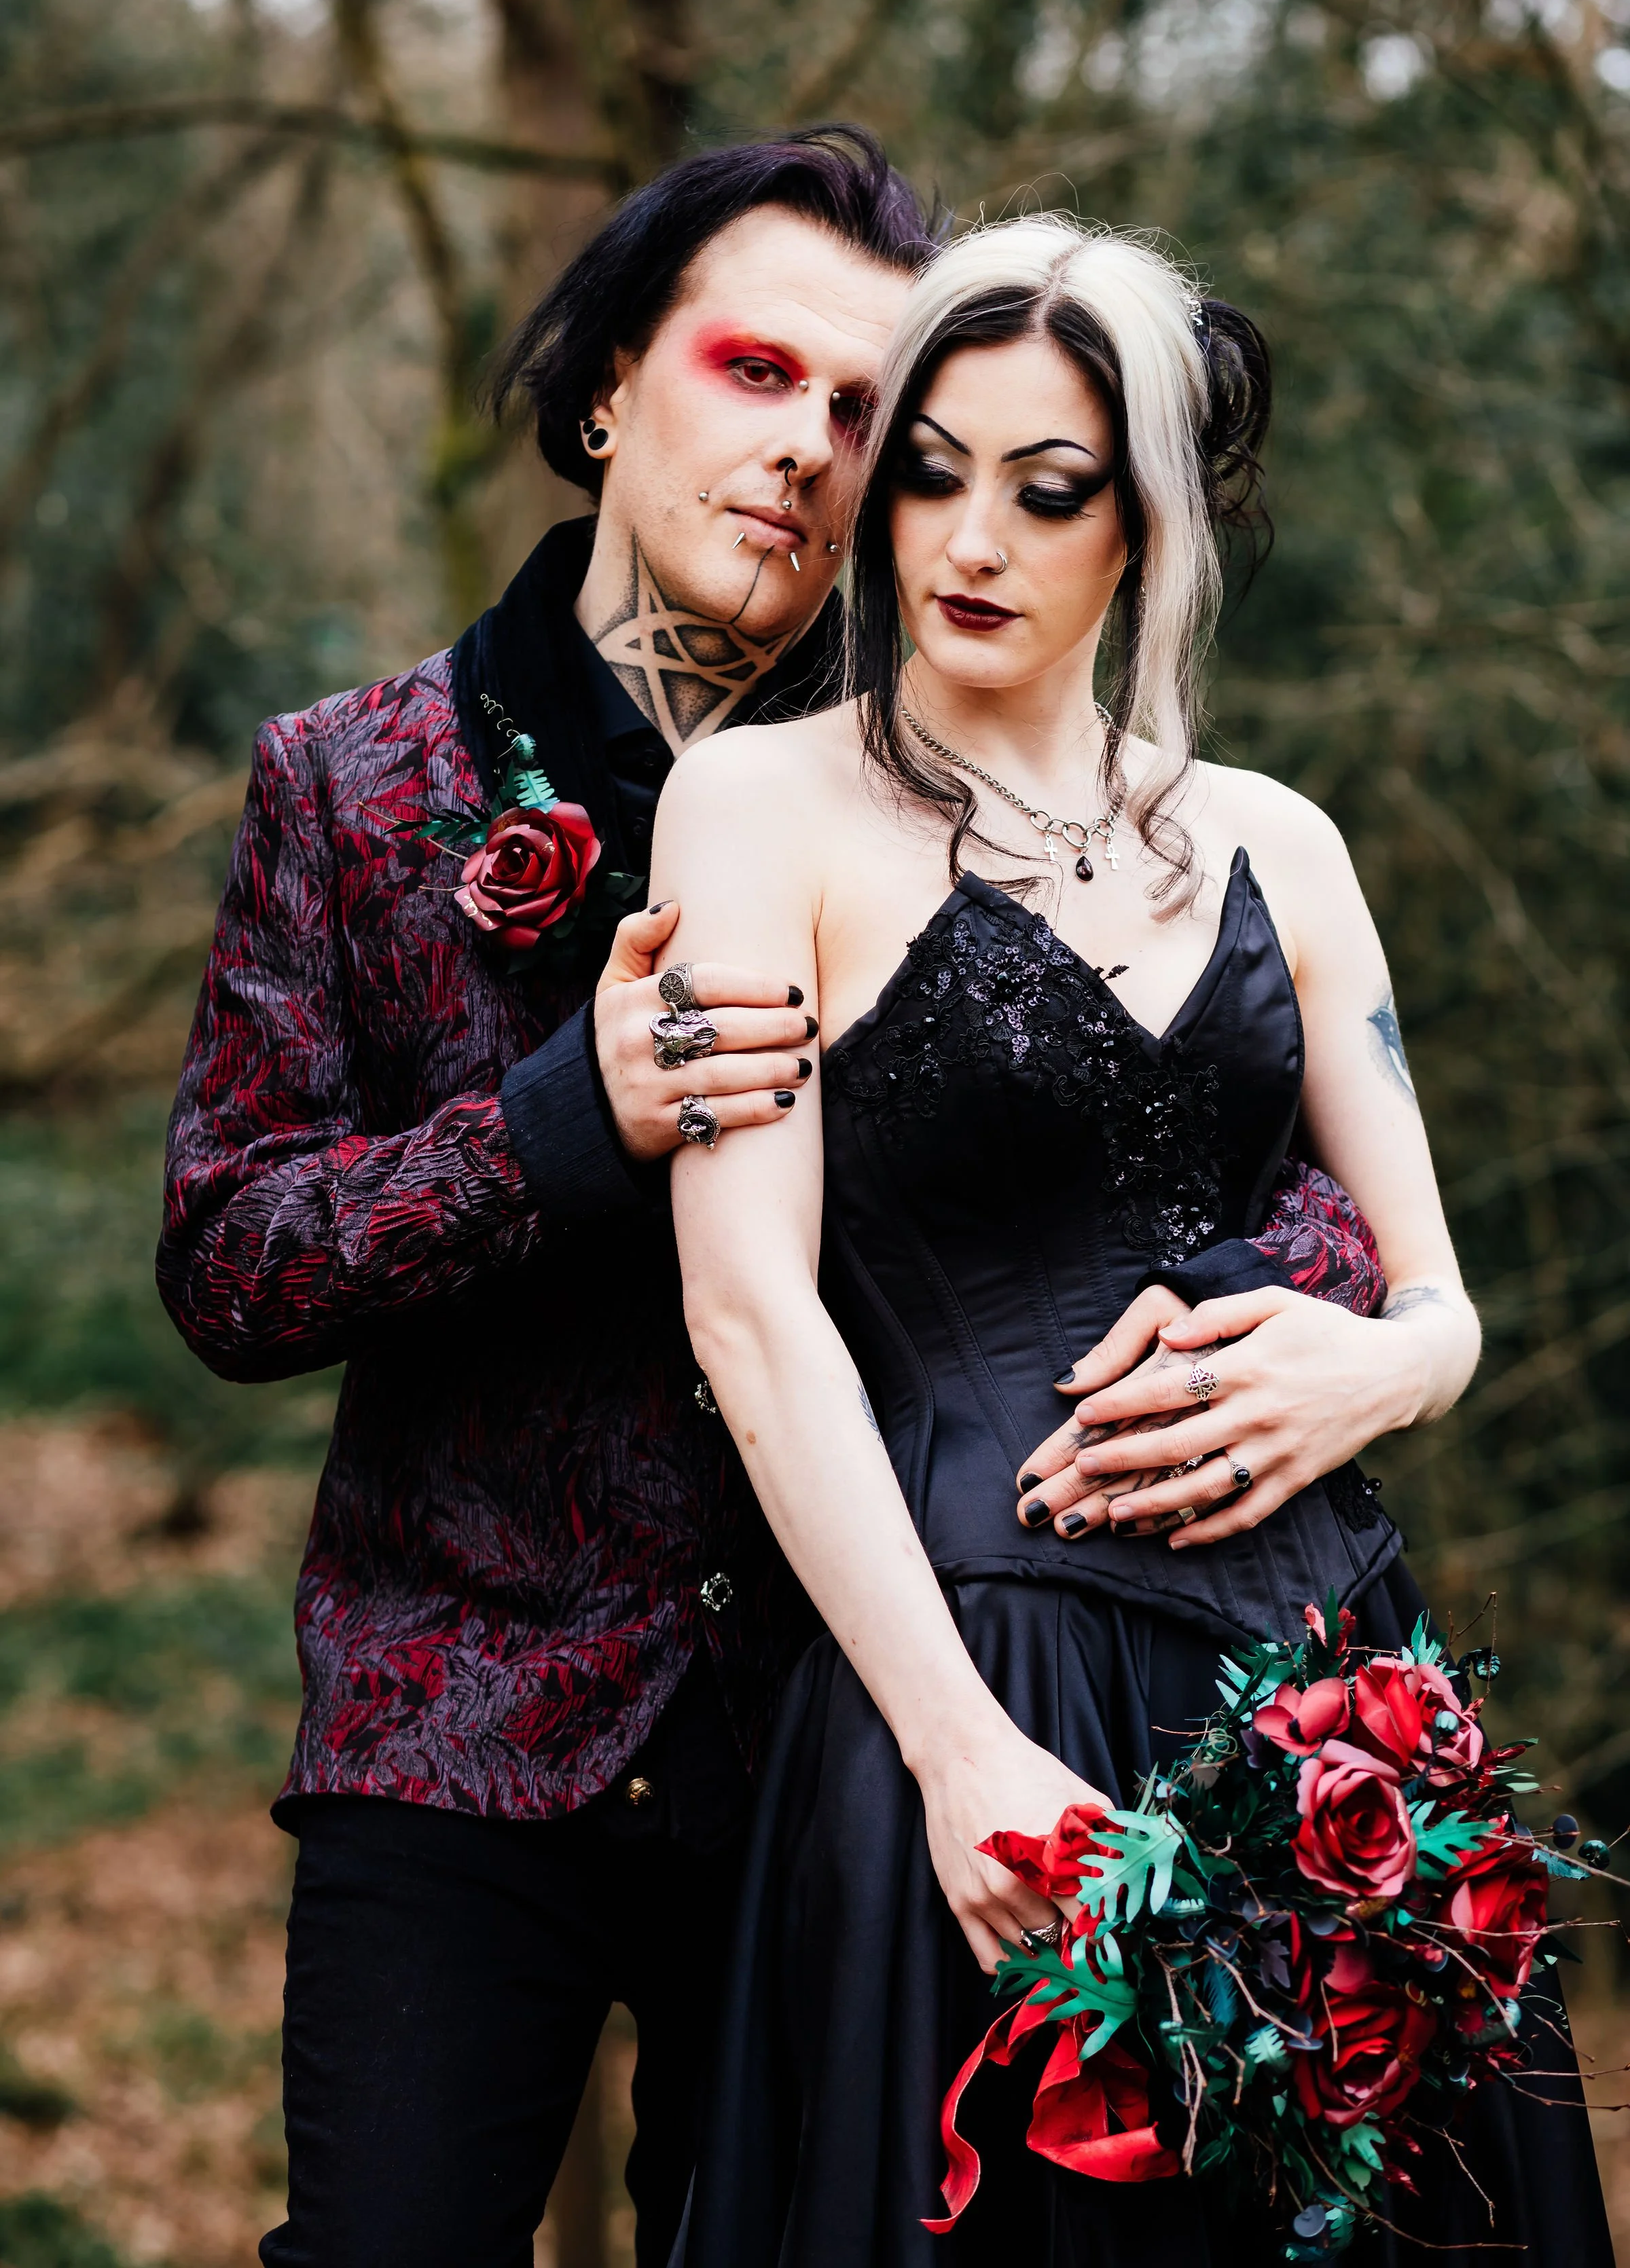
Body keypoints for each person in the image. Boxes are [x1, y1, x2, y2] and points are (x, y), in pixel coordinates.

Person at [160, 129, 1393, 2268]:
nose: (811, 453)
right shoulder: (353, 783)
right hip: (462, 1729)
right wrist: (551, 1125)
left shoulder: (958, 751)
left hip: (848, 1713)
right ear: (612, 385)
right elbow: (230, 1260)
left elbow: (1180, 1099)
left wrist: (1287, 1317)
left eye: (862, 410)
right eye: (753, 373)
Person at [655, 216, 1612, 2265]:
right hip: (985, 1676)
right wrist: (953, 1745)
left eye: (1047, 489)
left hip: (1333, 1689)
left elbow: (1443, 1301)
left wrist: (1382, 1363)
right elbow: (751, 1317)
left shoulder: (1284, 840)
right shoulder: (764, 810)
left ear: (1149, 527)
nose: (970, 538)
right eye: (930, 471)